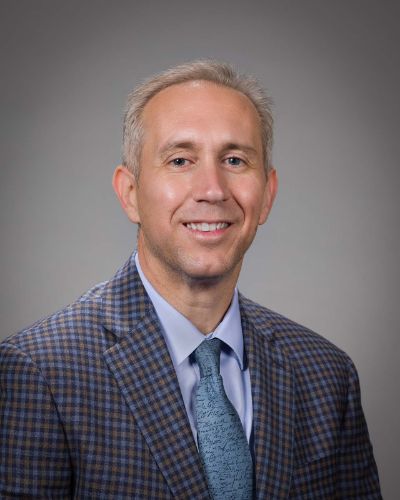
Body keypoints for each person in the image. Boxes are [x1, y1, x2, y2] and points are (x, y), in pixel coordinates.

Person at [0, 60, 381, 499]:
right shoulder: (41, 371)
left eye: (234, 160)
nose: (212, 190)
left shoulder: (326, 375)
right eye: (180, 160)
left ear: (267, 194)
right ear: (130, 193)